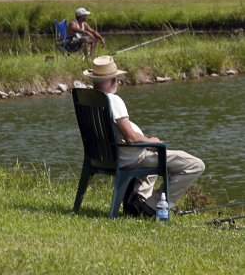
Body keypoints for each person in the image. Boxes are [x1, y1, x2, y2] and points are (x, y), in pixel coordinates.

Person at [83, 55, 205, 217]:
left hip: (102, 157)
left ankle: (137, 200)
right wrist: (151, 141)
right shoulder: (112, 100)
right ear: (113, 80)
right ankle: (152, 207)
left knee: (152, 157)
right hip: (130, 157)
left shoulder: (89, 99)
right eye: (117, 79)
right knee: (195, 165)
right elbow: (131, 138)